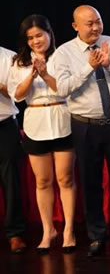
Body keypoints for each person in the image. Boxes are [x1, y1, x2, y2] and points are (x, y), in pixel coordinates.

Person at [54, 5, 110, 257]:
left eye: (98, 21)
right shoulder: (64, 53)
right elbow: (62, 88)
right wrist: (88, 67)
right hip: (85, 126)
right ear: (75, 26)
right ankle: (96, 235)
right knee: (90, 182)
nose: (95, 27)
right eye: (89, 23)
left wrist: (109, 65)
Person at [7, 15, 75, 254]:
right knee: (43, 181)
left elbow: (67, 90)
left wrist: (45, 74)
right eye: (30, 38)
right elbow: (17, 95)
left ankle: (68, 230)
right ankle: (48, 230)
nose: (36, 41)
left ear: (49, 33)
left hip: (62, 118)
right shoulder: (19, 62)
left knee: (65, 179)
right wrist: (32, 75)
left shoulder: (63, 56)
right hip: (35, 122)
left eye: (39, 35)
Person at [0, 46, 27, 254]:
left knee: (10, 180)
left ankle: (15, 233)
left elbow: (19, 95)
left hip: (5, 124)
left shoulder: (10, 58)